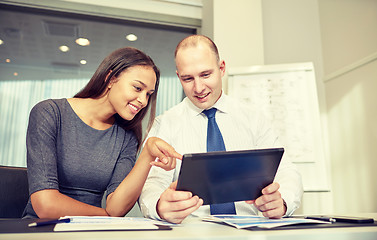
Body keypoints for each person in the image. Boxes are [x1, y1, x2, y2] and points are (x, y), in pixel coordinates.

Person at [139, 35, 303, 224]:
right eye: (187, 79)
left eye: (205, 75)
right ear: (178, 77)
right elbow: (151, 183)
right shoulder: (165, 124)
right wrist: (159, 205)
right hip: (190, 233)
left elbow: (286, 171)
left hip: (248, 230)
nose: (198, 88)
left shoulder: (253, 118)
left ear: (221, 68)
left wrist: (282, 200)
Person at [22, 47, 181, 219]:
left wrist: (148, 154)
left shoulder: (126, 135)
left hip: (92, 230)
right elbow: (45, 205)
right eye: (137, 88)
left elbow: (117, 207)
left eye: (148, 94)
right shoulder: (49, 113)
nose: (143, 101)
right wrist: (105, 215)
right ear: (111, 78)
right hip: (43, 228)